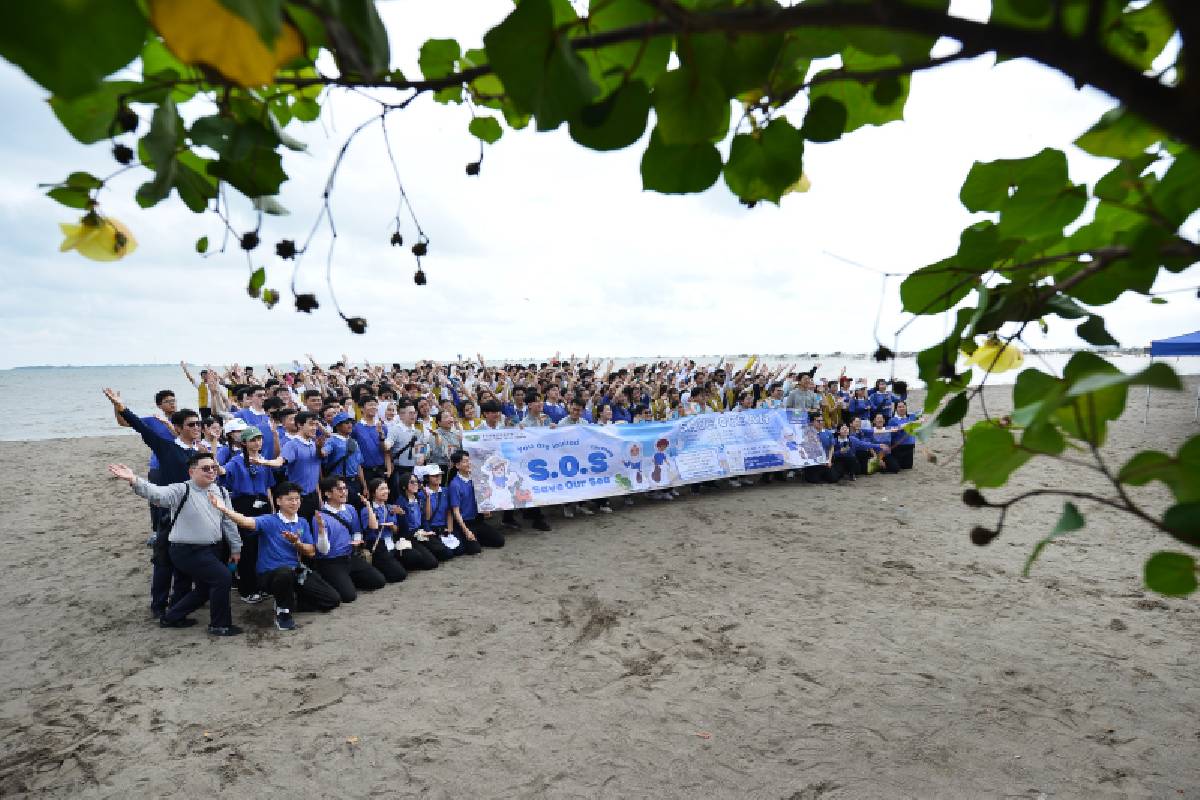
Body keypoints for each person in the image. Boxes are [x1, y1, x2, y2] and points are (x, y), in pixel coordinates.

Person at [108, 453, 244, 636]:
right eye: (205, 468)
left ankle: (172, 617)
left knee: (205, 588)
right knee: (222, 578)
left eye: (214, 467)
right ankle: (219, 625)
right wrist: (134, 479)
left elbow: (228, 520)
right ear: (191, 471)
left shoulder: (221, 491)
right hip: (186, 550)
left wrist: (235, 547)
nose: (211, 471)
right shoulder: (181, 490)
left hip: (212, 549)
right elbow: (157, 493)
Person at [209, 481, 341, 630]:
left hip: (295, 571)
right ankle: (283, 612)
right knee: (284, 573)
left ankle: (292, 599)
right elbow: (246, 522)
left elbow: (311, 552)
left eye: (297, 499)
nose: (295, 502)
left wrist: (296, 542)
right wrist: (223, 508)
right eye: (290, 499)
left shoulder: (302, 522)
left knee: (332, 599)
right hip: (270, 574)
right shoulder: (269, 520)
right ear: (278, 501)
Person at [221, 426, 276, 603]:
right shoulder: (236, 461)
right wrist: (213, 447)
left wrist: (272, 507)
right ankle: (246, 589)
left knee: (261, 547)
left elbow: (268, 486)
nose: (257, 442)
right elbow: (223, 472)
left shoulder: (263, 460)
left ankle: (260, 585)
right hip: (243, 505)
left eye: (259, 438)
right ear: (244, 443)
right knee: (246, 549)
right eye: (252, 439)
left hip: (262, 504)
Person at [312, 476, 387, 602]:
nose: (344, 492)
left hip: (349, 556)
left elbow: (356, 531)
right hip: (331, 561)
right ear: (328, 493)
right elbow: (323, 551)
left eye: (345, 488)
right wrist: (321, 530)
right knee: (349, 596)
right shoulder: (319, 517)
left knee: (379, 581)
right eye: (339, 489)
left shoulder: (350, 509)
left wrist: (357, 541)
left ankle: (345, 580)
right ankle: (336, 580)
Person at [447, 450, 503, 548]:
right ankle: (466, 537)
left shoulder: (476, 479)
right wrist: (466, 530)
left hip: (477, 520)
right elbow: (456, 512)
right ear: (457, 465)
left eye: (469, 461)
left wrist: (486, 510)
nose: (468, 463)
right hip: (464, 522)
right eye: (465, 461)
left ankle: (475, 538)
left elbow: (484, 499)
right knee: (475, 549)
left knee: (499, 541)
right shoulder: (455, 484)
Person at [357, 477, 409, 583]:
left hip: (390, 542)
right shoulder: (367, 509)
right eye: (382, 489)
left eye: (386, 488)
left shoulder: (389, 507)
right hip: (376, 544)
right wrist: (380, 524)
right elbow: (371, 528)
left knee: (413, 559)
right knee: (399, 574)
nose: (386, 491)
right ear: (373, 492)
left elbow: (395, 530)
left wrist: (393, 524)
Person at [420, 465, 473, 558]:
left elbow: (449, 511)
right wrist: (428, 497)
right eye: (434, 475)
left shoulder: (445, 490)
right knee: (447, 554)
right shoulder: (421, 494)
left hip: (444, 527)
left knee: (460, 550)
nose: (438, 477)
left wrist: (450, 529)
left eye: (439, 475)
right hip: (430, 528)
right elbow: (427, 517)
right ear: (427, 478)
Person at [279, 411, 322, 519]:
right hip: (297, 499)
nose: (314, 428)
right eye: (311, 424)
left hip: (313, 496)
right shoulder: (291, 444)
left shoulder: (313, 444)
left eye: (316, 425)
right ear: (299, 425)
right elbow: (280, 461)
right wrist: (263, 462)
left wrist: (319, 496)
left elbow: (314, 473)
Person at [396, 472, 442, 571]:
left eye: (417, 482)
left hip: (421, 533)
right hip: (409, 536)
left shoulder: (419, 499)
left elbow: (426, 518)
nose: (415, 484)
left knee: (443, 551)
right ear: (404, 486)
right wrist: (420, 534)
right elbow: (403, 529)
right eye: (412, 482)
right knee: (431, 563)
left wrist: (428, 497)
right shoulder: (401, 502)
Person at [322, 411, 366, 508]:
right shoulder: (332, 440)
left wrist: (364, 485)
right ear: (338, 426)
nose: (350, 425)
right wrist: (319, 447)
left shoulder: (354, 442)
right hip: (339, 482)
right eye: (346, 423)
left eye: (351, 423)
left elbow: (359, 465)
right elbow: (323, 453)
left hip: (355, 482)